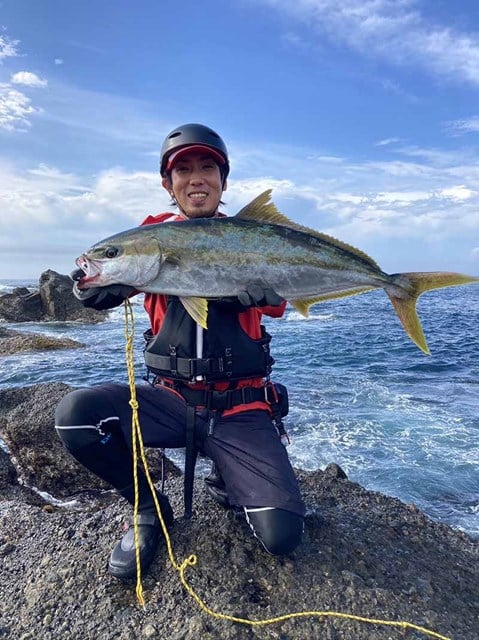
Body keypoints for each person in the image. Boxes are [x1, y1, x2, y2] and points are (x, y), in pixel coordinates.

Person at [55, 123, 305, 581]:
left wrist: (263, 292)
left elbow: (280, 303)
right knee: (75, 415)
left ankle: (228, 475)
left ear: (223, 180)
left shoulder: (255, 237)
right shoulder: (151, 240)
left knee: (282, 537)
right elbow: (103, 286)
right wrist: (92, 282)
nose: (196, 178)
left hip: (241, 408)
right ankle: (149, 510)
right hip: (171, 401)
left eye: (207, 167)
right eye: (182, 170)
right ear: (167, 184)